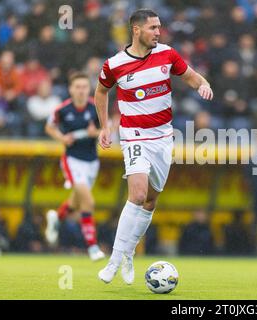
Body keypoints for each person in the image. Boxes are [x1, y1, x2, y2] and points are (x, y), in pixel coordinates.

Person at [95, 9, 213, 284]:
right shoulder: (114, 64)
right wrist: (104, 126)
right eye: (153, 28)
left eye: (159, 27)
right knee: (136, 195)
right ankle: (113, 262)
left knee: (150, 201)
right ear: (136, 30)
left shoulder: (167, 54)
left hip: (163, 138)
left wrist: (203, 86)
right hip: (134, 135)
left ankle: (128, 255)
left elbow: (192, 76)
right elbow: (101, 91)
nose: (158, 32)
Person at [44, 72, 105, 261]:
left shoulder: (95, 108)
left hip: (92, 161)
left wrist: (96, 132)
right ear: (71, 89)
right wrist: (62, 138)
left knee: (76, 202)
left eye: (84, 87)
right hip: (72, 160)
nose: (81, 91)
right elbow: (49, 127)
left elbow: (107, 128)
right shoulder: (63, 110)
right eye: (77, 87)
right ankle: (93, 247)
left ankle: (56, 216)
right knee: (88, 202)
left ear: (89, 89)